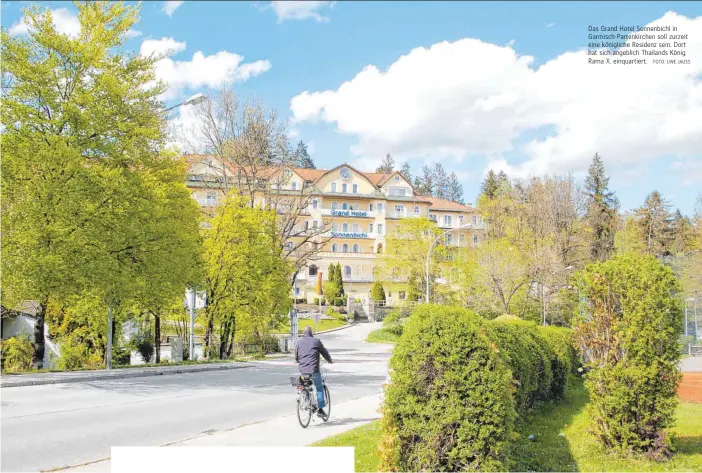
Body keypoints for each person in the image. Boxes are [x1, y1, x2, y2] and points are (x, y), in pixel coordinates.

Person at [295, 326, 333, 417]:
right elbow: (324, 352)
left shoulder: (299, 342)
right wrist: (329, 360)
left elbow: (296, 356)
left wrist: (298, 360)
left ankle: (308, 402)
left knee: (305, 384)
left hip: (303, 370)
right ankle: (320, 410)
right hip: (314, 369)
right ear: (311, 333)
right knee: (319, 387)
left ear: (303, 333)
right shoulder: (316, 341)